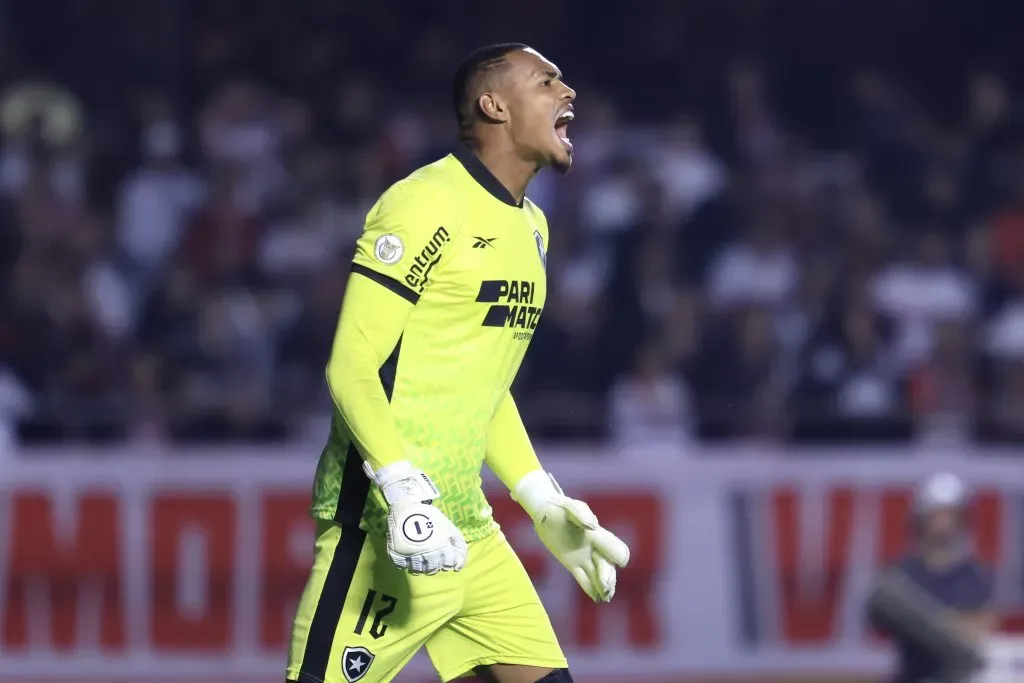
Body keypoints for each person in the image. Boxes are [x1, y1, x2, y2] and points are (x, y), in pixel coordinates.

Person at [286, 43, 630, 683]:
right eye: (546, 80)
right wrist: (401, 486)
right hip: (384, 530)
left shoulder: (533, 227)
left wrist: (538, 497)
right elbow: (351, 364)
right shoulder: (423, 203)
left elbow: (484, 382)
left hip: (468, 531)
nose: (568, 92)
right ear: (494, 104)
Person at [873, 472, 996, 683]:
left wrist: (932, 622)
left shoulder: (973, 576)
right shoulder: (903, 574)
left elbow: (981, 628)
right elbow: (879, 616)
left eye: (949, 514)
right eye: (936, 514)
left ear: (962, 518)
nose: (942, 522)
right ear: (920, 519)